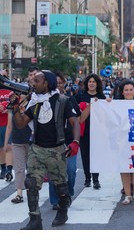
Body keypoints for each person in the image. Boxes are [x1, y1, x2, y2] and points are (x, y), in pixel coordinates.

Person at [12, 70, 79, 230]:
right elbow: (21, 124)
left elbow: (74, 122)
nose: (33, 83)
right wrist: (15, 107)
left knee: (61, 186)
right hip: (36, 149)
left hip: (56, 150)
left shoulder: (63, 101)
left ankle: (63, 211)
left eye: (36, 81)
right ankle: (35, 220)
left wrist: (75, 141)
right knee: (31, 184)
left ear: (46, 83)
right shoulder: (35, 103)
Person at [48, 72, 81, 210]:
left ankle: (68, 192)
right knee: (53, 172)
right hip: (51, 142)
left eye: (60, 83)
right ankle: (55, 200)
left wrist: (75, 140)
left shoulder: (69, 99)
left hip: (68, 141)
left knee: (71, 170)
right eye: (55, 83)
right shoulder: (44, 100)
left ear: (64, 84)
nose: (58, 85)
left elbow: (77, 120)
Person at [114, 79, 134, 205]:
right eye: (126, 90)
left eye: (131, 90)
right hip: (121, 140)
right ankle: (127, 195)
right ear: (122, 92)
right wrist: (107, 103)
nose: (128, 92)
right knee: (124, 167)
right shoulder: (116, 105)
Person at [75, 73, 106, 190]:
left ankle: (96, 179)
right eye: (90, 82)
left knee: (96, 156)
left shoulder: (101, 97)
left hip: (97, 131)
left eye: (94, 82)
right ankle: (87, 178)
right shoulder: (80, 96)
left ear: (97, 84)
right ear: (86, 83)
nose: (91, 84)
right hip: (84, 131)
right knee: (85, 155)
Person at [5, 94, 32, 203]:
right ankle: (19, 193)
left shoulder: (32, 106)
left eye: (22, 94)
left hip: (30, 141)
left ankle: (31, 191)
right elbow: (9, 125)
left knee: (30, 168)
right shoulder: (12, 108)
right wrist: (6, 142)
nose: (20, 97)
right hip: (17, 141)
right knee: (19, 168)